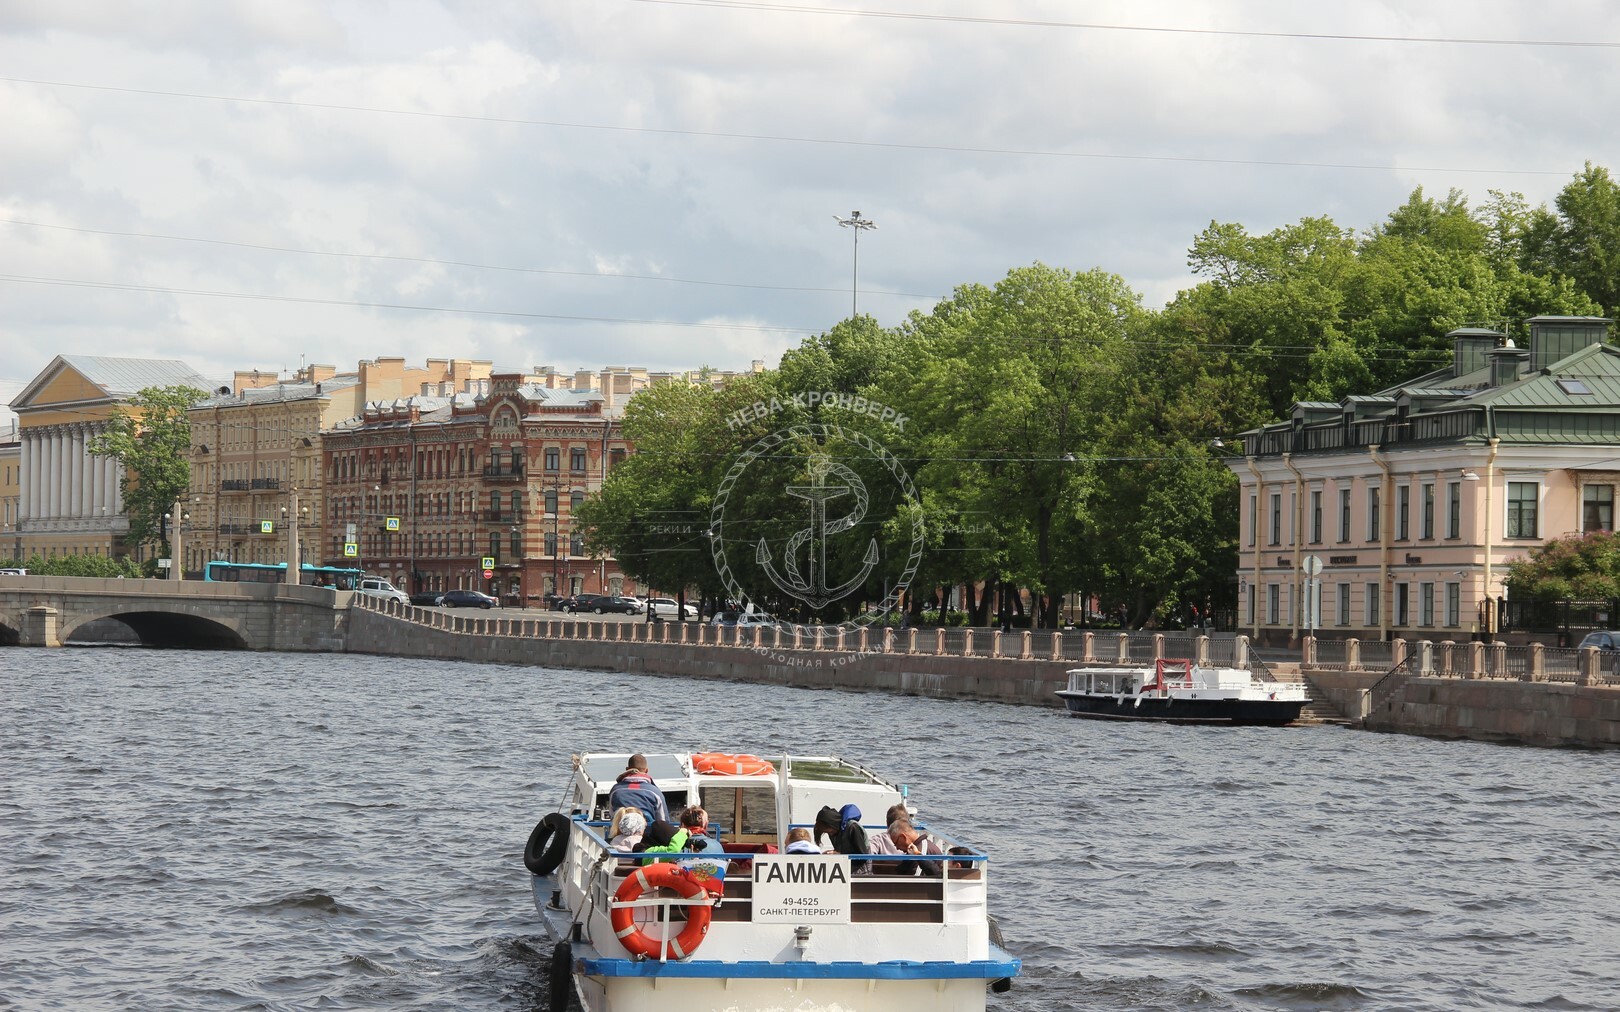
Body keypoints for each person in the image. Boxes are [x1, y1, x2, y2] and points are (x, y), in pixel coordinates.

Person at [868, 817, 945, 876]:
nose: (897, 848)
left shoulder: (920, 850)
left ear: (903, 837)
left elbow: (915, 878)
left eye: (896, 843)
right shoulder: (916, 848)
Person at [608, 753, 670, 826]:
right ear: (646, 770)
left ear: (627, 769)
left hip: (620, 833)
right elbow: (664, 822)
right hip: (646, 835)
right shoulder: (655, 792)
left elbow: (612, 816)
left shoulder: (615, 791)